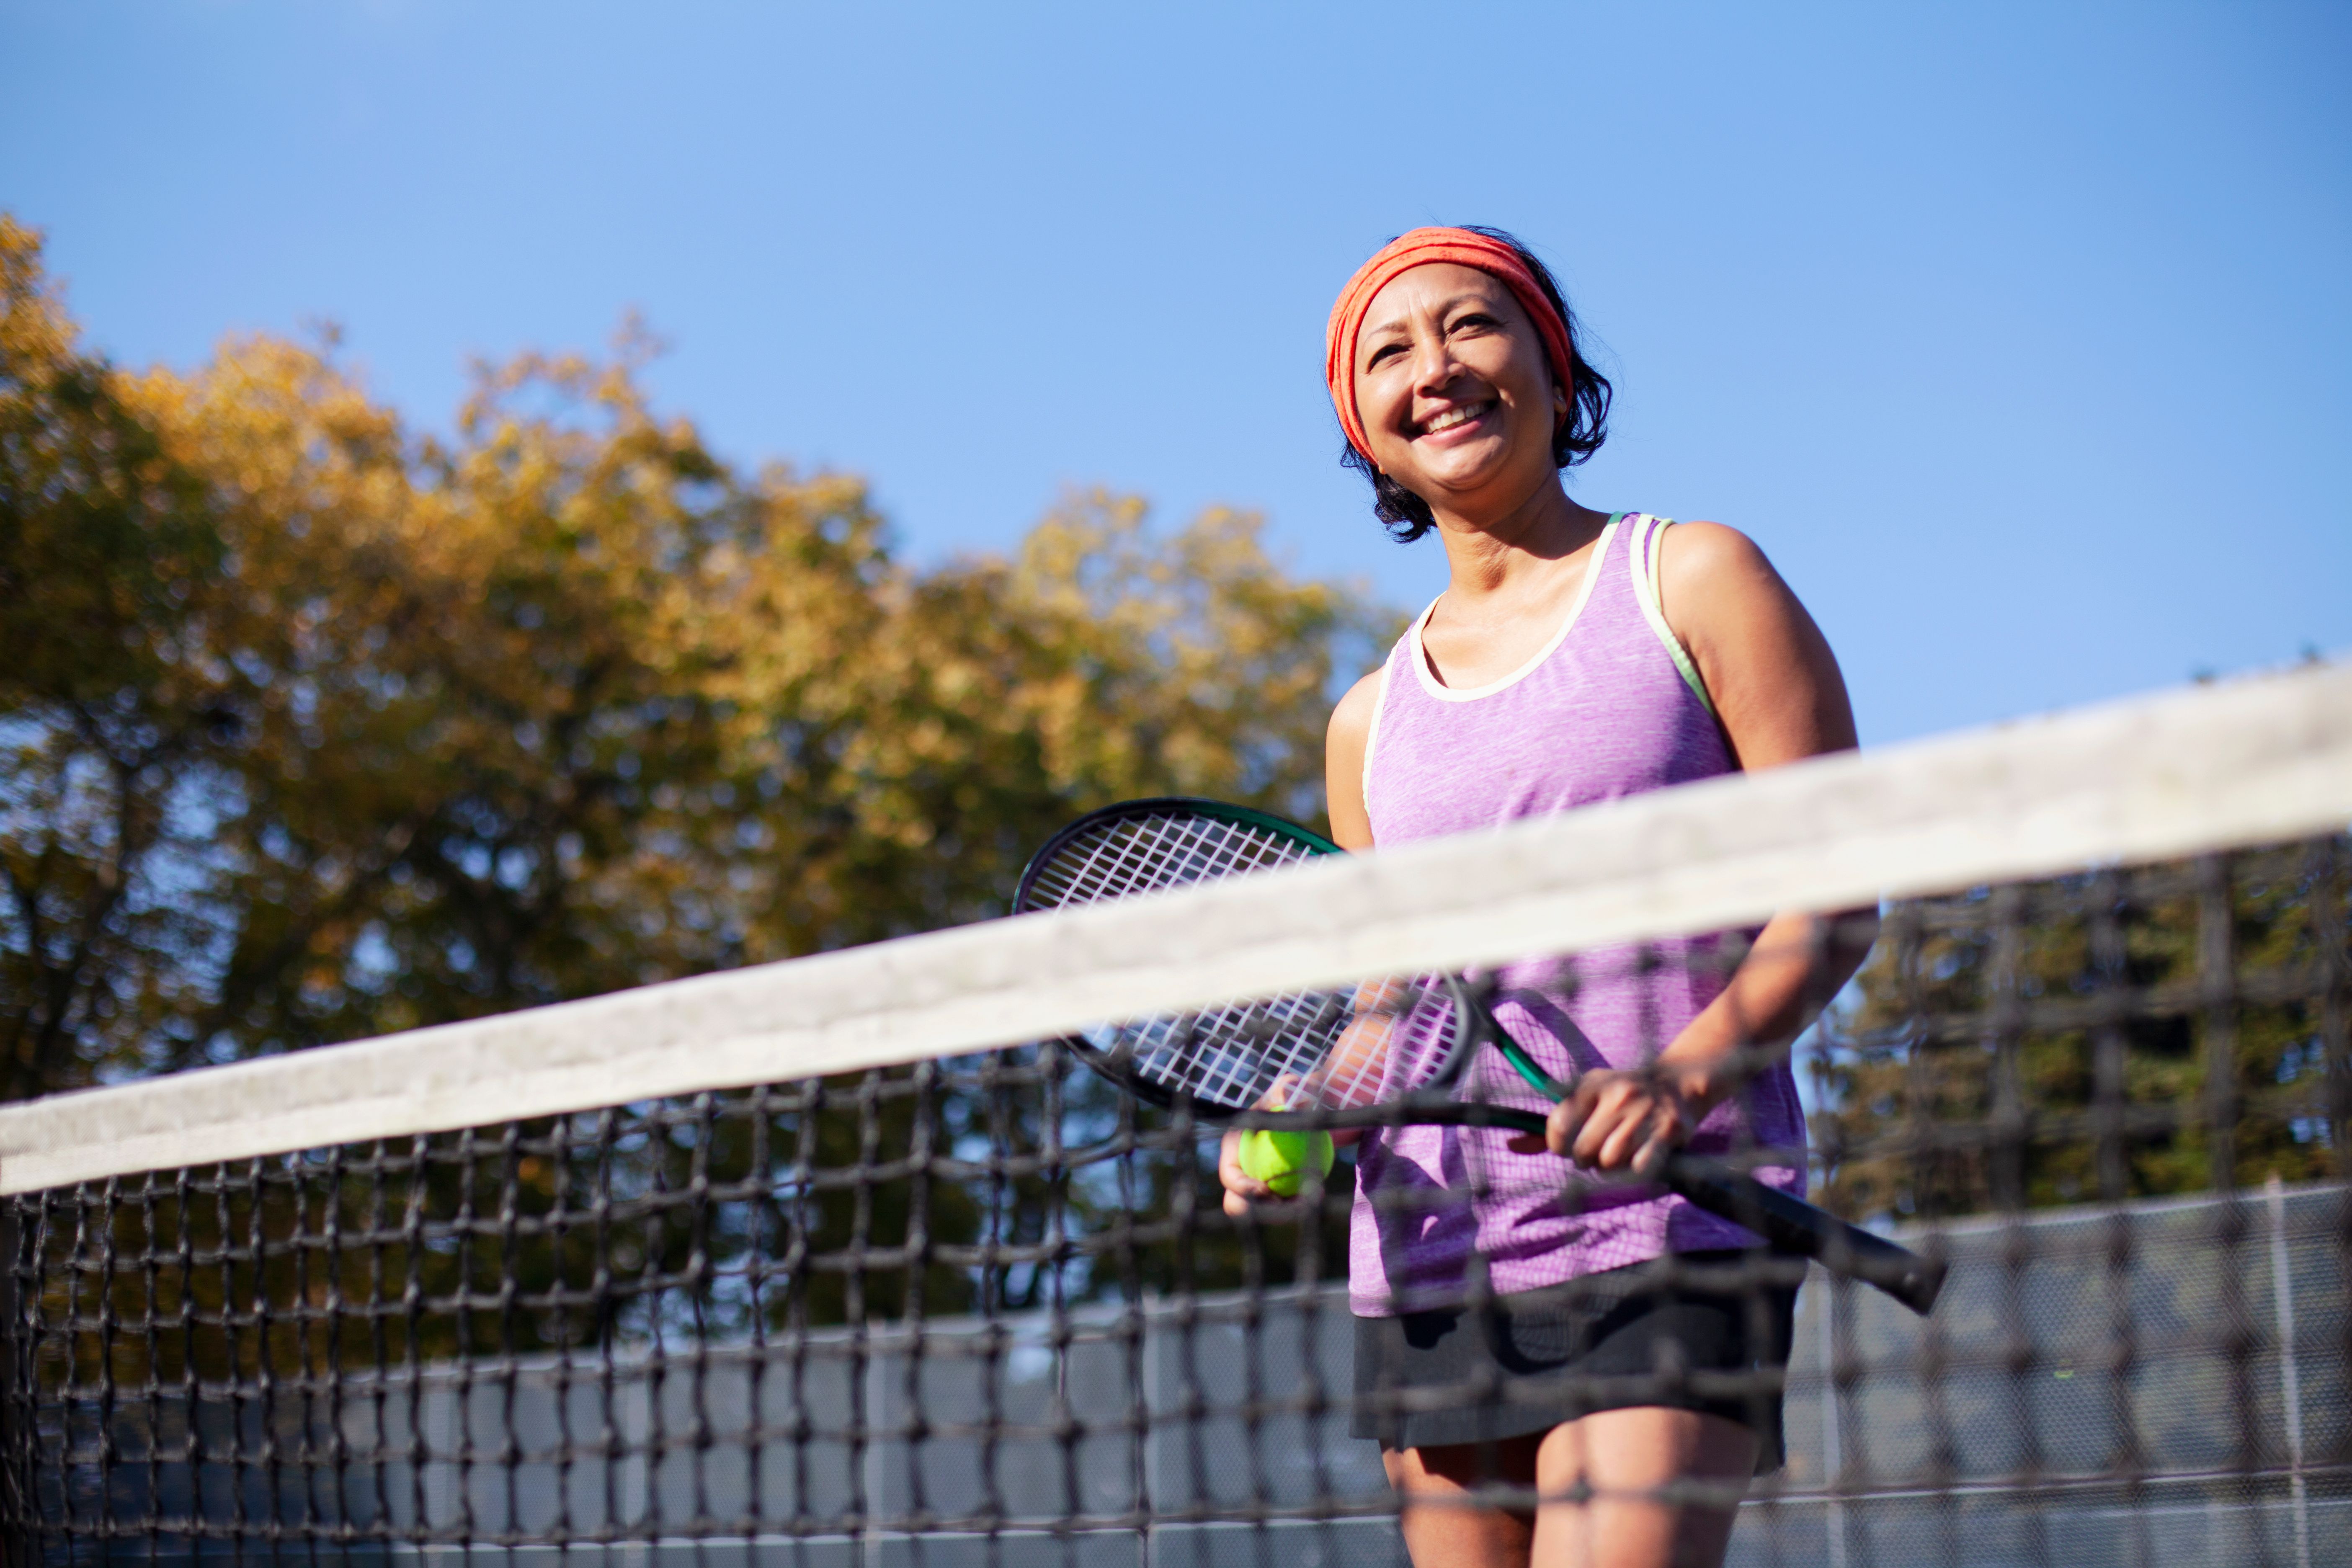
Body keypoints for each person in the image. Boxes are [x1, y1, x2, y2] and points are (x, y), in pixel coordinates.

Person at [1217, 227, 1876, 1568]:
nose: (1436, 368)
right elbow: (1398, 998)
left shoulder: (1694, 579)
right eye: (1391, 353)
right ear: (1365, 430)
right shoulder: (1368, 720)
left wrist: (1683, 1077)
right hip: (1436, 1253)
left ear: (1554, 365)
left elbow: (1835, 897)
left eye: (1472, 325)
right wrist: (1308, 1104)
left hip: (1674, 1227)